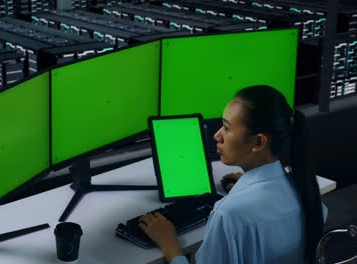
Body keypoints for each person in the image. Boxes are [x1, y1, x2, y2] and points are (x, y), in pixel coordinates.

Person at [138, 85, 327, 264]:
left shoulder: (228, 214)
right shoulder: (306, 192)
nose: (217, 136)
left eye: (227, 128)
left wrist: (170, 246)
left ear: (259, 143)